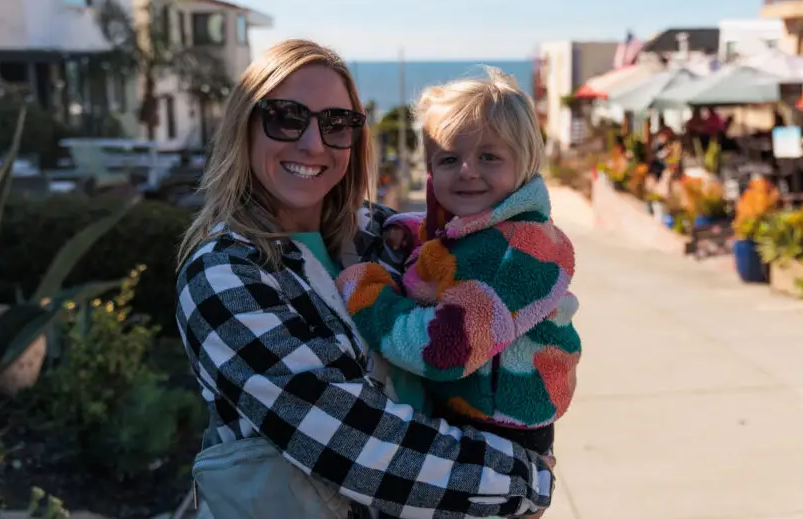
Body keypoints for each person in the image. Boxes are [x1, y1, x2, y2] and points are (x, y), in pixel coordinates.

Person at [175, 40, 554, 519]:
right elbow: (354, 442)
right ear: (244, 126)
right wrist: (524, 481)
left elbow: (497, 255)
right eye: (286, 117)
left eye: (337, 124)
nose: (313, 143)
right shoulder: (223, 275)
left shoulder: (382, 235)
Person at [336, 69, 580, 460]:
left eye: (489, 156)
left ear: (526, 161)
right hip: (479, 413)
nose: (468, 170)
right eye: (449, 158)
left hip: (501, 431)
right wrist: (415, 231)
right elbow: (462, 250)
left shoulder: (519, 249)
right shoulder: (492, 225)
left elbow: (444, 348)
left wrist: (365, 291)